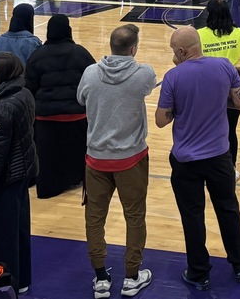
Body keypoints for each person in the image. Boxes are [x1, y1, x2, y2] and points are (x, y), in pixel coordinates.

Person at [155, 27, 240, 290]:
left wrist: (178, 107)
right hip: (220, 156)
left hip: (186, 160)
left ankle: (199, 272)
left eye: (175, 52)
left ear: (182, 51)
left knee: (192, 215)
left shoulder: (173, 76)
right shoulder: (225, 66)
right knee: (228, 208)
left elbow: (161, 121)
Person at [78, 24, 156, 299]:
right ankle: (132, 276)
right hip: (131, 159)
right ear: (133, 49)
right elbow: (148, 86)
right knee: (134, 218)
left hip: (96, 159)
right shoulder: (143, 73)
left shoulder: (90, 73)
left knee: (94, 219)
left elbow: (80, 98)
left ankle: (100, 278)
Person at [25, 15, 95, 198]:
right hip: (77, 115)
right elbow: (94, 79)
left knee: (49, 156)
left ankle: (50, 186)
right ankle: (75, 178)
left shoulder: (37, 55)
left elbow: (29, 87)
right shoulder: (80, 53)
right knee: (75, 150)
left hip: (46, 118)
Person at [0, 52, 38, 294]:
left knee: (2, 237)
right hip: (21, 174)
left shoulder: (2, 108)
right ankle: (22, 280)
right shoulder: (23, 93)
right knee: (19, 232)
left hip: (5, 180)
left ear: (3, 73)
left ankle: (4, 286)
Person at [197, 0, 240, 179]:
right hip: (232, 82)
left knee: (207, 128)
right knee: (229, 128)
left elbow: (178, 59)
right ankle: (230, 169)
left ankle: (206, 169)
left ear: (209, 14)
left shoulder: (199, 35)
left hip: (207, 84)